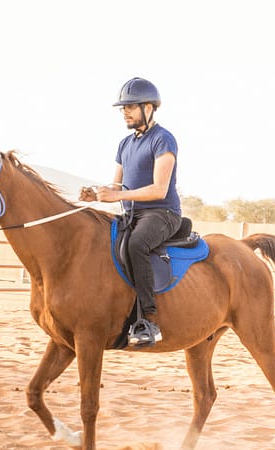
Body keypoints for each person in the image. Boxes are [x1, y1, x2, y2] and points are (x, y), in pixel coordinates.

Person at [84, 77, 182, 347]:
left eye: (131, 106)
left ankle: (148, 320)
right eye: (122, 107)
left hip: (161, 213)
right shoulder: (125, 144)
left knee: (137, 244)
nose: (124, 111)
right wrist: (97, 194)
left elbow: (159, 189)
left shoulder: (163, 139)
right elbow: (117, 184)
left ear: (149, 108)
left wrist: (117, 195)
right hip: (132, 214)